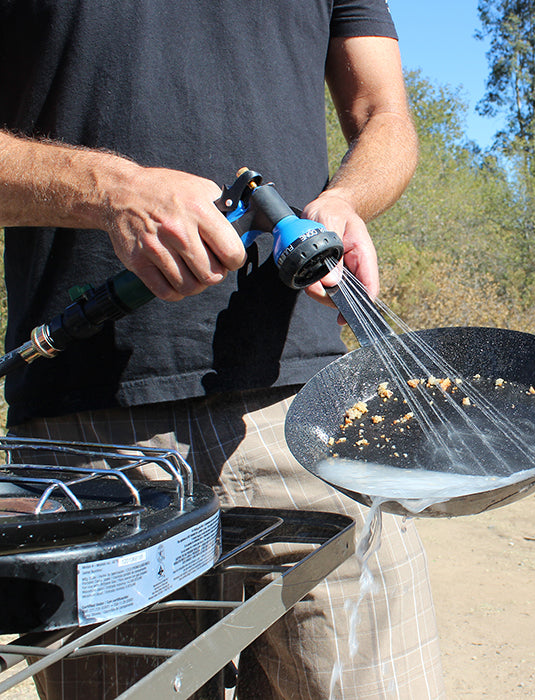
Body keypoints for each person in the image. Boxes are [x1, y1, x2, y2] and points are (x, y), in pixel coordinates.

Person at [0, 1, 445, 698]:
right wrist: (112, 191)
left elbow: (383, 115)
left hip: (310, 418)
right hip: (88, 441)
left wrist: (347, 199)